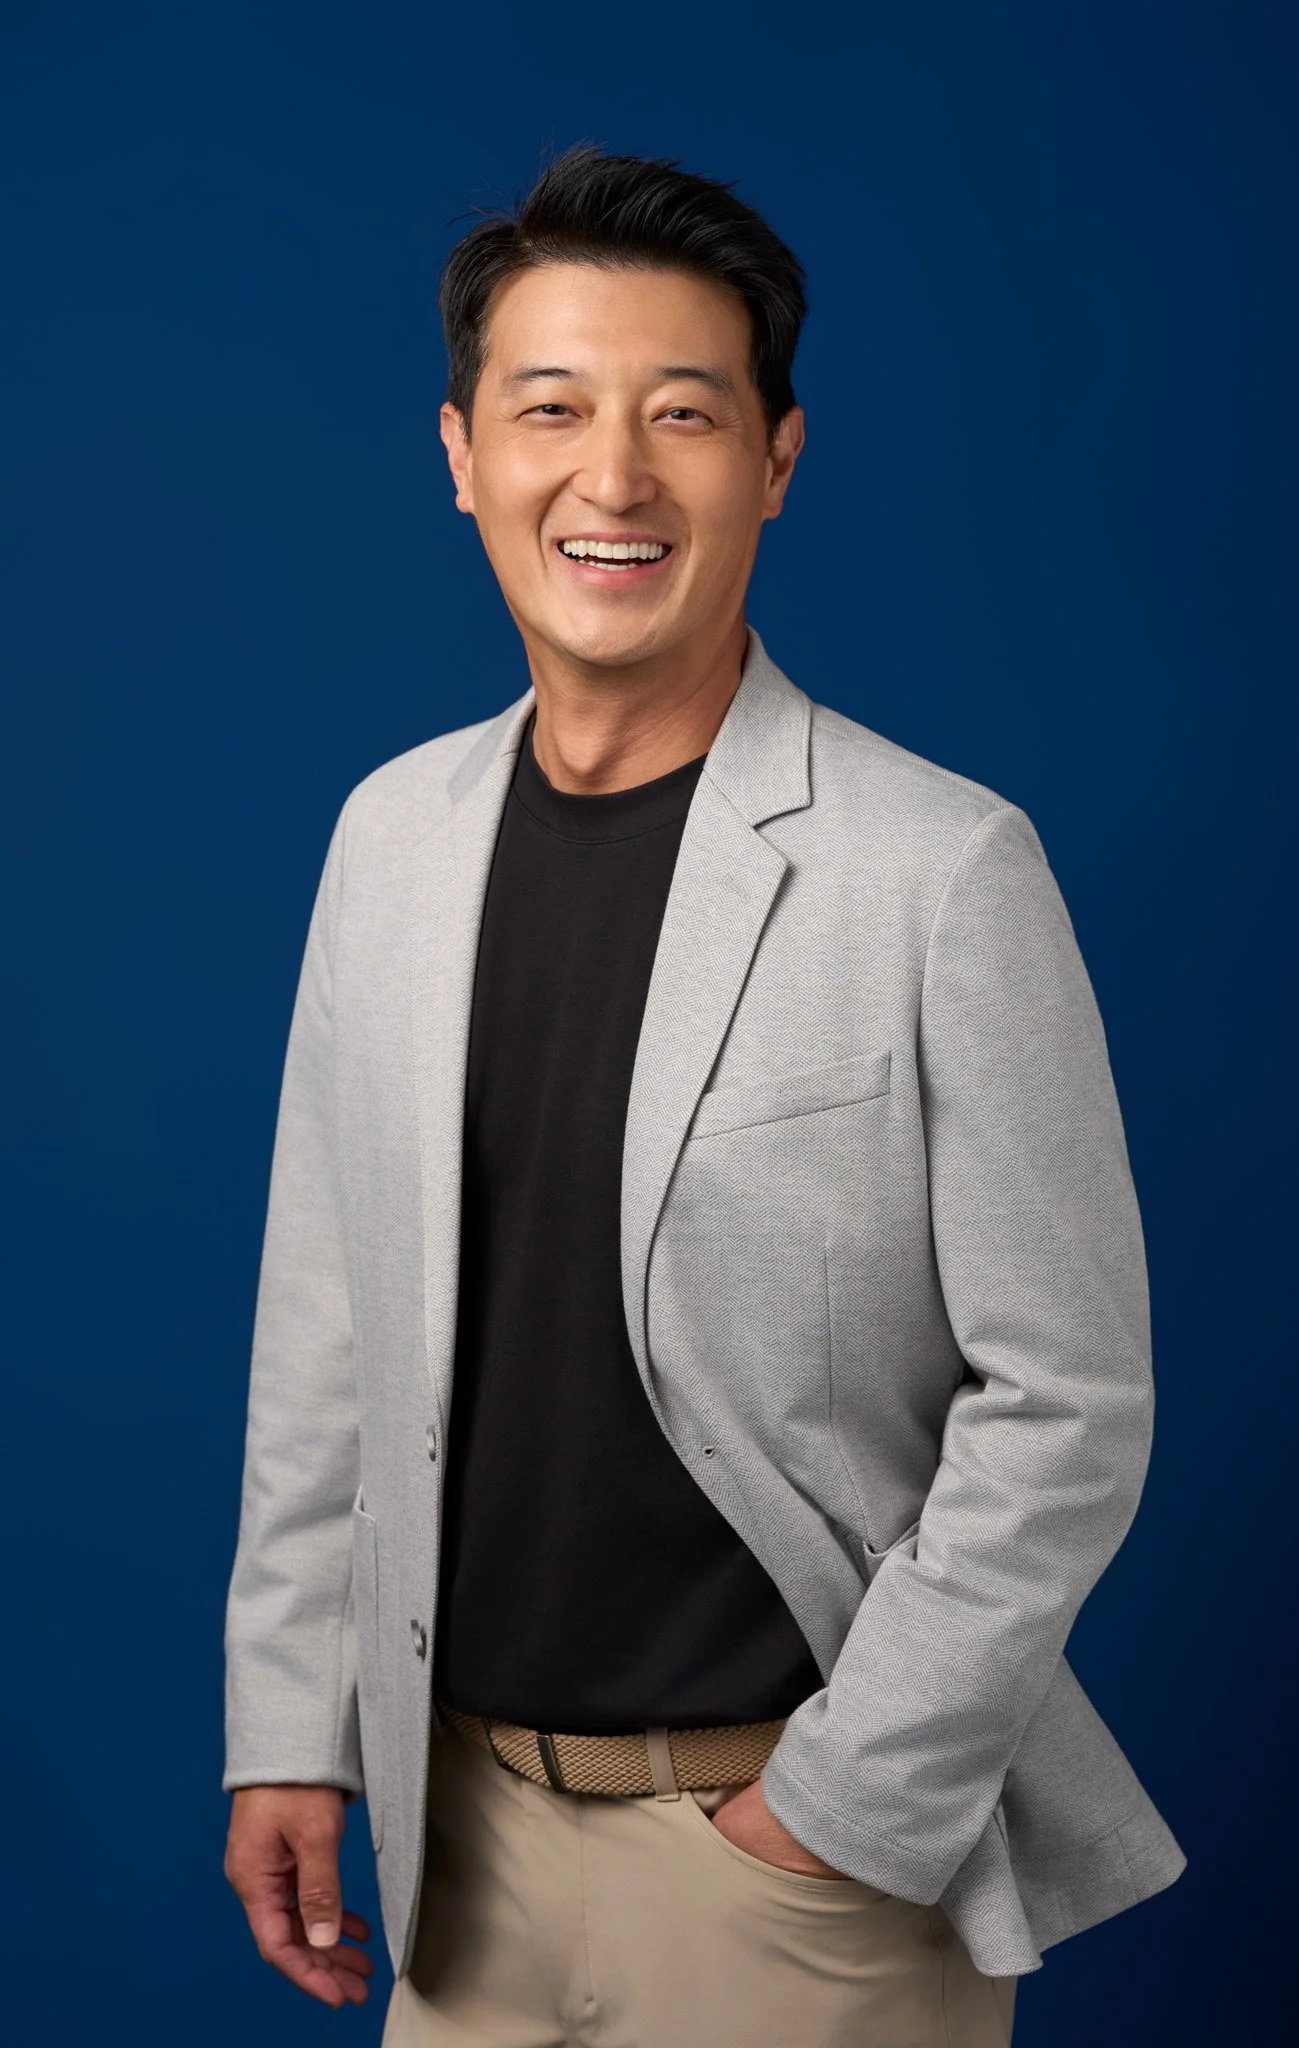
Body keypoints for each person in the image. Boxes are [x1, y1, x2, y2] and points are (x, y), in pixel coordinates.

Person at [222, 145, 1186, 2047]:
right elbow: (329, 1323)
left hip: (793, 1877)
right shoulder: (389, 838)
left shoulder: (940, 869)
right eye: (551, 410)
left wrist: (829, 1815)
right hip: (456, 1852)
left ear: (779, 457)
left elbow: (1069, 1402)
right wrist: (288, 1728)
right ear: (460, 452)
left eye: (686, 414)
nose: (614, 477)